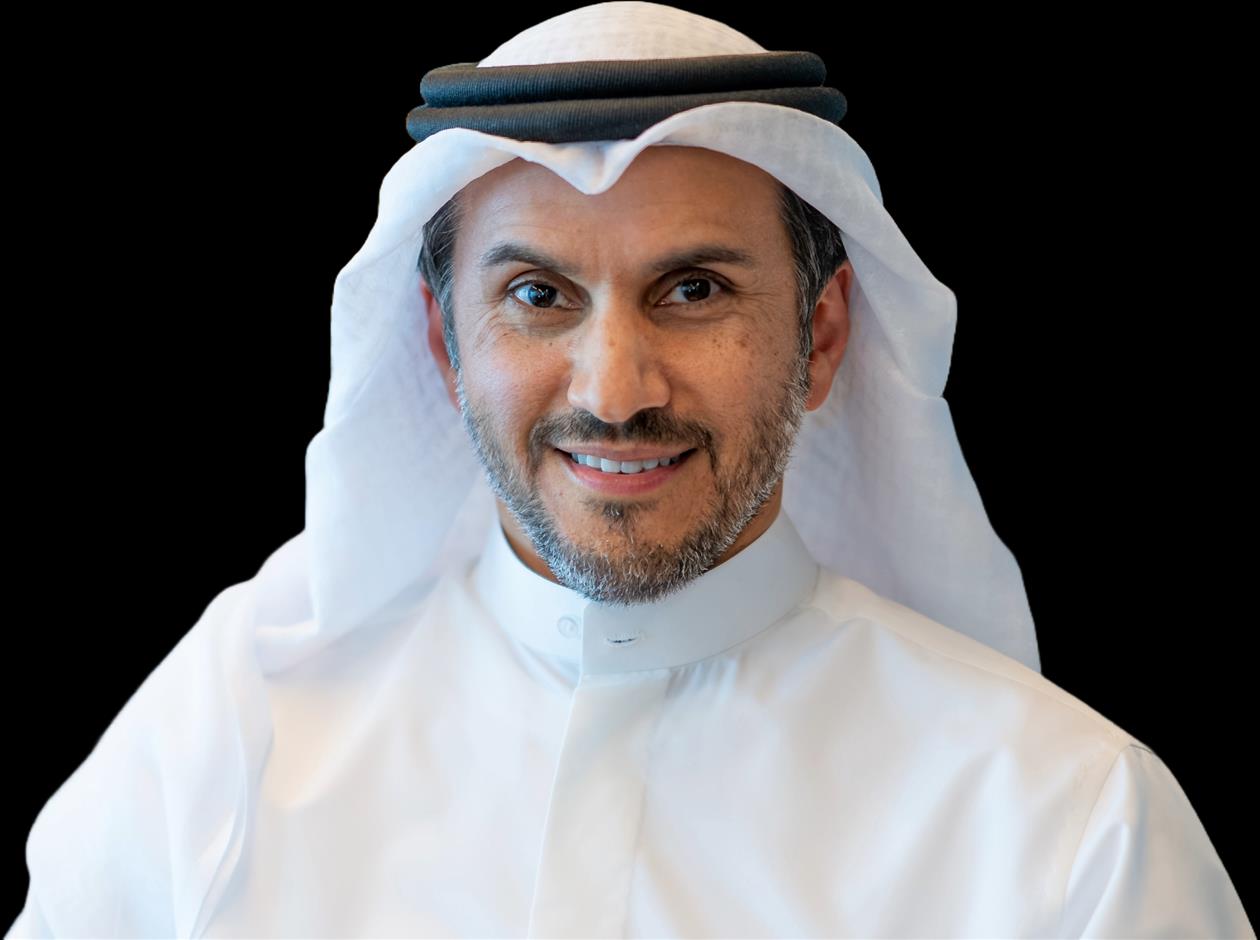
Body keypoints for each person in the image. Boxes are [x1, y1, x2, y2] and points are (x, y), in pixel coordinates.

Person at [7, 2, 1253, 937]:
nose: (615, 389)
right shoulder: (220, 750)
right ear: (444, 344)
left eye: (693, 289)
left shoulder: (1067, 824)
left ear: (822, 335)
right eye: (538, 294)